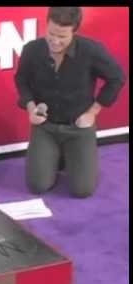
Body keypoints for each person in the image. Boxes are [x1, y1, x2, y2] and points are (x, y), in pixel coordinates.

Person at [14, 7, 125, 198]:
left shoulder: (91, 50)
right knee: (38, 185)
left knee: (83, 190)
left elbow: (117, 77)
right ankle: (56, 157)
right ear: (46, 24)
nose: (55, 41)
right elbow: (21, 80)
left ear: (75, 31)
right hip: (45, 127)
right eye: (51, 33)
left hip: (78, 128)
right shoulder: (31, 50)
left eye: (62, 36)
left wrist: (93, 112)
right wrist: (31, 108)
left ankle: (70, 155)